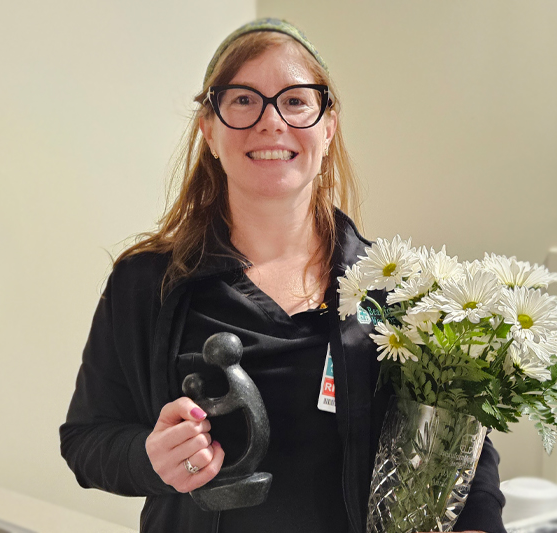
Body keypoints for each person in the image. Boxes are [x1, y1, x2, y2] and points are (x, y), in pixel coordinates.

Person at [60, 18, 506, 533]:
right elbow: (87, 440)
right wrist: (149, 457)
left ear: (328, 125)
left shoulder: (394, 287)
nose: (271, 122)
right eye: (244, 100)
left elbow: (463, 437)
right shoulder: (146, 283)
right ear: (209, 129)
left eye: (296, 101)